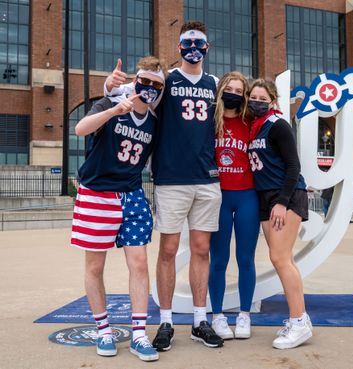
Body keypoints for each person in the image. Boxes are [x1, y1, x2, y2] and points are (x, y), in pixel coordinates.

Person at [104, 21, 223, 350]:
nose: (194, 47)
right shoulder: (167, 80)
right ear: (179, 45)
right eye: (188, 41)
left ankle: (200, 320)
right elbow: (127, 93)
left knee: (201, 250)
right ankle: (167, 320)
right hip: (171, 178)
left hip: (207, 178)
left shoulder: (215, 83)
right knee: (168, 251)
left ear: (207, 47)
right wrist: (108, 85)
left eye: (200, 41)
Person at [71, 56, 168, 361]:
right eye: (145, 81)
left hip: (132, 194)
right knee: (95, 267)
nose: (149, 88)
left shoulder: (155, 122)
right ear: (135, 81)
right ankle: (103, 329)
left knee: (139, 263)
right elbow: (80, 129)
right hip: (97, 193)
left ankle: (139, 334)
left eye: (157, 84)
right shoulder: (112, 103)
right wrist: (113, 108)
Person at [247, 78, 312, 349]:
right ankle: (300, 319)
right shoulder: (254, 128)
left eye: (263, 99)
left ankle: (298, 322)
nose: (257, 102)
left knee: (280, 257)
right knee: (282, 260)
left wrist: (282, 202)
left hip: (283, 195)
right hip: (265, 196)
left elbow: (293, 165)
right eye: (253, 98)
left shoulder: (278, 125)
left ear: (272, 101)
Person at [208, 71, 260, 340]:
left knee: (245, 259)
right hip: (219, 197)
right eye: (230, 89)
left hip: (247, 195)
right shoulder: (209, 120)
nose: (234, 94)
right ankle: (217, 316)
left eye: (240, 91)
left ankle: (243, 314)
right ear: (221, 90)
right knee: (218, 260)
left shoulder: (250, 121)